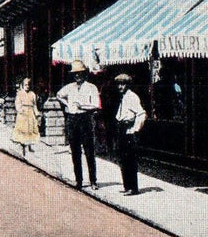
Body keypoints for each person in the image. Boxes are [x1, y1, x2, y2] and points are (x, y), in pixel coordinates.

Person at [56, 60, 102, 190]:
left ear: (84, 73)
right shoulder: (69, 87)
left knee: (89, 151)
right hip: (72, 119)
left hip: (85, 118)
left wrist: (82, 106)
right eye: (75, 74)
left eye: (80, 73)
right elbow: (59, 95)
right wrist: (67, 104)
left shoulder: (91, 87)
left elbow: (96, 105)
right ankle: (79, 181)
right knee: (75, 151)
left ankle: (93, 180)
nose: (77, 76)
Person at [113, 73, 147, 196]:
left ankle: (133, 187)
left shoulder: (132, 97)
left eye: (123, 84)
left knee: (130, 160)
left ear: (127, 85)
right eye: (118, 84)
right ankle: (127, 186)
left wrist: (135, 129)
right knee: (122, 159)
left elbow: (141, 114)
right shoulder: (123, 97)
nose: (120, 87)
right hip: (122, 129)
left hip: (129, 131)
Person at [11, 78, 41, 157]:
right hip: (23, 113)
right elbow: (17, 104)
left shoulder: (32, 94)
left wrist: (37, 113)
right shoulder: (20, 94)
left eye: (28, 85)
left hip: (30, 112)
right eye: (25, 85)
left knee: (30, 129)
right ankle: (23, 147)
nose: (27, 87)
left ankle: (29, 146)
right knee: (23, 130)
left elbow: (34, 105)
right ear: (22, 85)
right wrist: (20, 110)